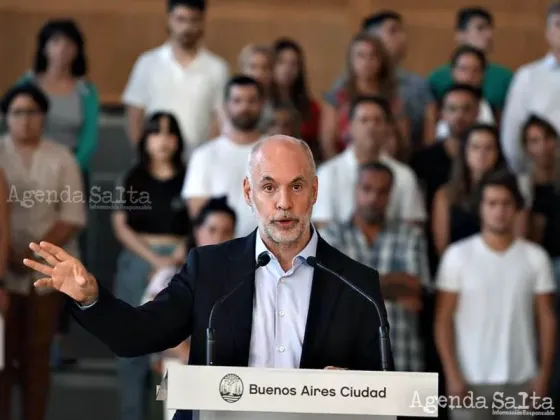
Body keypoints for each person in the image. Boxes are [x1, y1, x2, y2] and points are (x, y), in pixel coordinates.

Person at [22, 135, 392, 420]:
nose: (283, 202)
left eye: (296, 186)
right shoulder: (210, 269)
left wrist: (351, 388)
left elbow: (385, 394)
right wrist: (90, 298)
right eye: (268, 187)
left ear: (314, 192)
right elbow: (138, 334)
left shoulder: (356, 284)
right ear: (249, 193)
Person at [435, 170, 556, 420]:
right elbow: (443, 320)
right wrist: (452, 374)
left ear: (516, 208)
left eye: (506, 204)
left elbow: (546, 319)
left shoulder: (536, 258)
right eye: (492, 203)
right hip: (469, 379)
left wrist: (544, 375)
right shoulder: (457, 256)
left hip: (521, 379)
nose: (499, 211)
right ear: (481, 207)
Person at [0, 83, 86, 420]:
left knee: (37, 356)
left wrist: (34, 256)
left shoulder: (62, 157)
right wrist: (7, 256)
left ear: (44, 117)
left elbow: (72, 216)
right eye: (17, 112)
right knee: (3, 358)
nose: (25, 120)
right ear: (6, 116)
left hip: (48, 269)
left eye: (32, 112)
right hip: (3, 267)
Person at [111, 112, 190, 420]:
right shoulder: (132, 177)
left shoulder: (189, 176)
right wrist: (155, 260)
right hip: (137, 261)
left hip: (182, 260)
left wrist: (176, 256)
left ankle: (171, 415)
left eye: (171, 134)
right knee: (131, 343)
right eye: (156, 133)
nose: (163, 140)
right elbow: (121, 226)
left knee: (174, 348)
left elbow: (198, 223)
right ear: (145, 138)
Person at [320, 162, 429, 372]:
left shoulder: (410, 235)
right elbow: (331, 291)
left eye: (382, 192)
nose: (373, 198)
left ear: (390, 195)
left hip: (402, 355)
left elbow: (415, 288)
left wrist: (354, 285)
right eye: (367, 189)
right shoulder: (331, 236)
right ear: (355, 189)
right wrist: (394, 286)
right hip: (347, 361)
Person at [142, 196, 237, 420]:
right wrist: (191, 357)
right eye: (211, 229)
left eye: (226, 231)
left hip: (227, 379)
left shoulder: (242, 277)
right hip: (175, 369)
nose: (218, 237)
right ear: (197, 231)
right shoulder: (171, 275)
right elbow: (153, 326)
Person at [122, 0, 229, 153]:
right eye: (181, 19)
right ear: (169, 19)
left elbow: (219, 120)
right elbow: (134, 117)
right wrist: (143, 156)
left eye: (194, 20)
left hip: (197, 161)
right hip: (154, 162)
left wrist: (205, 157)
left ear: (203, 21)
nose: (187, 28)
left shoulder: (217, 68)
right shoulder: (148, 63)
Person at [431, 124, 531, 256]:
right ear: (465, 151)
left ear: (498, 152)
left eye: (488, 148)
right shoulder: (445, 195)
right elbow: (442, 249)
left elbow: (519, 241)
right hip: (459, 266)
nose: (481, 154)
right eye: (475, 147)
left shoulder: (512, 191)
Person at [20, 18, 99, 174]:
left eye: (69, 44)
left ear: (77, 50)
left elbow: (89, 138)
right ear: (44, 47)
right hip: (27, 166)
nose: (62, 49)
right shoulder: (27, 84)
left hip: (72, 167)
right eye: (56, 42)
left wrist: (69, 166)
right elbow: (13, 124)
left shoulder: (86, 91)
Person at [320, 32, 407, 159]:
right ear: (351, 60)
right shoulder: (337, 97)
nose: (367, 62)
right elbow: (327, 142)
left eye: (373, 56)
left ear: (381, 60)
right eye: (361, 56)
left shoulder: (393, 98)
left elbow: (402, 141)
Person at [500, 3, 560, 173]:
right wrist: (521, 173)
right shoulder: (528, 75)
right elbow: (512, 133)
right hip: (537, 176)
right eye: (558, 24)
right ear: (548, 32)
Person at [271, 38, 321, 153]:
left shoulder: (311, 108)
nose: (287, 68)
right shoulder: (261, 103)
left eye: (294, 64)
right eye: (281, 62)